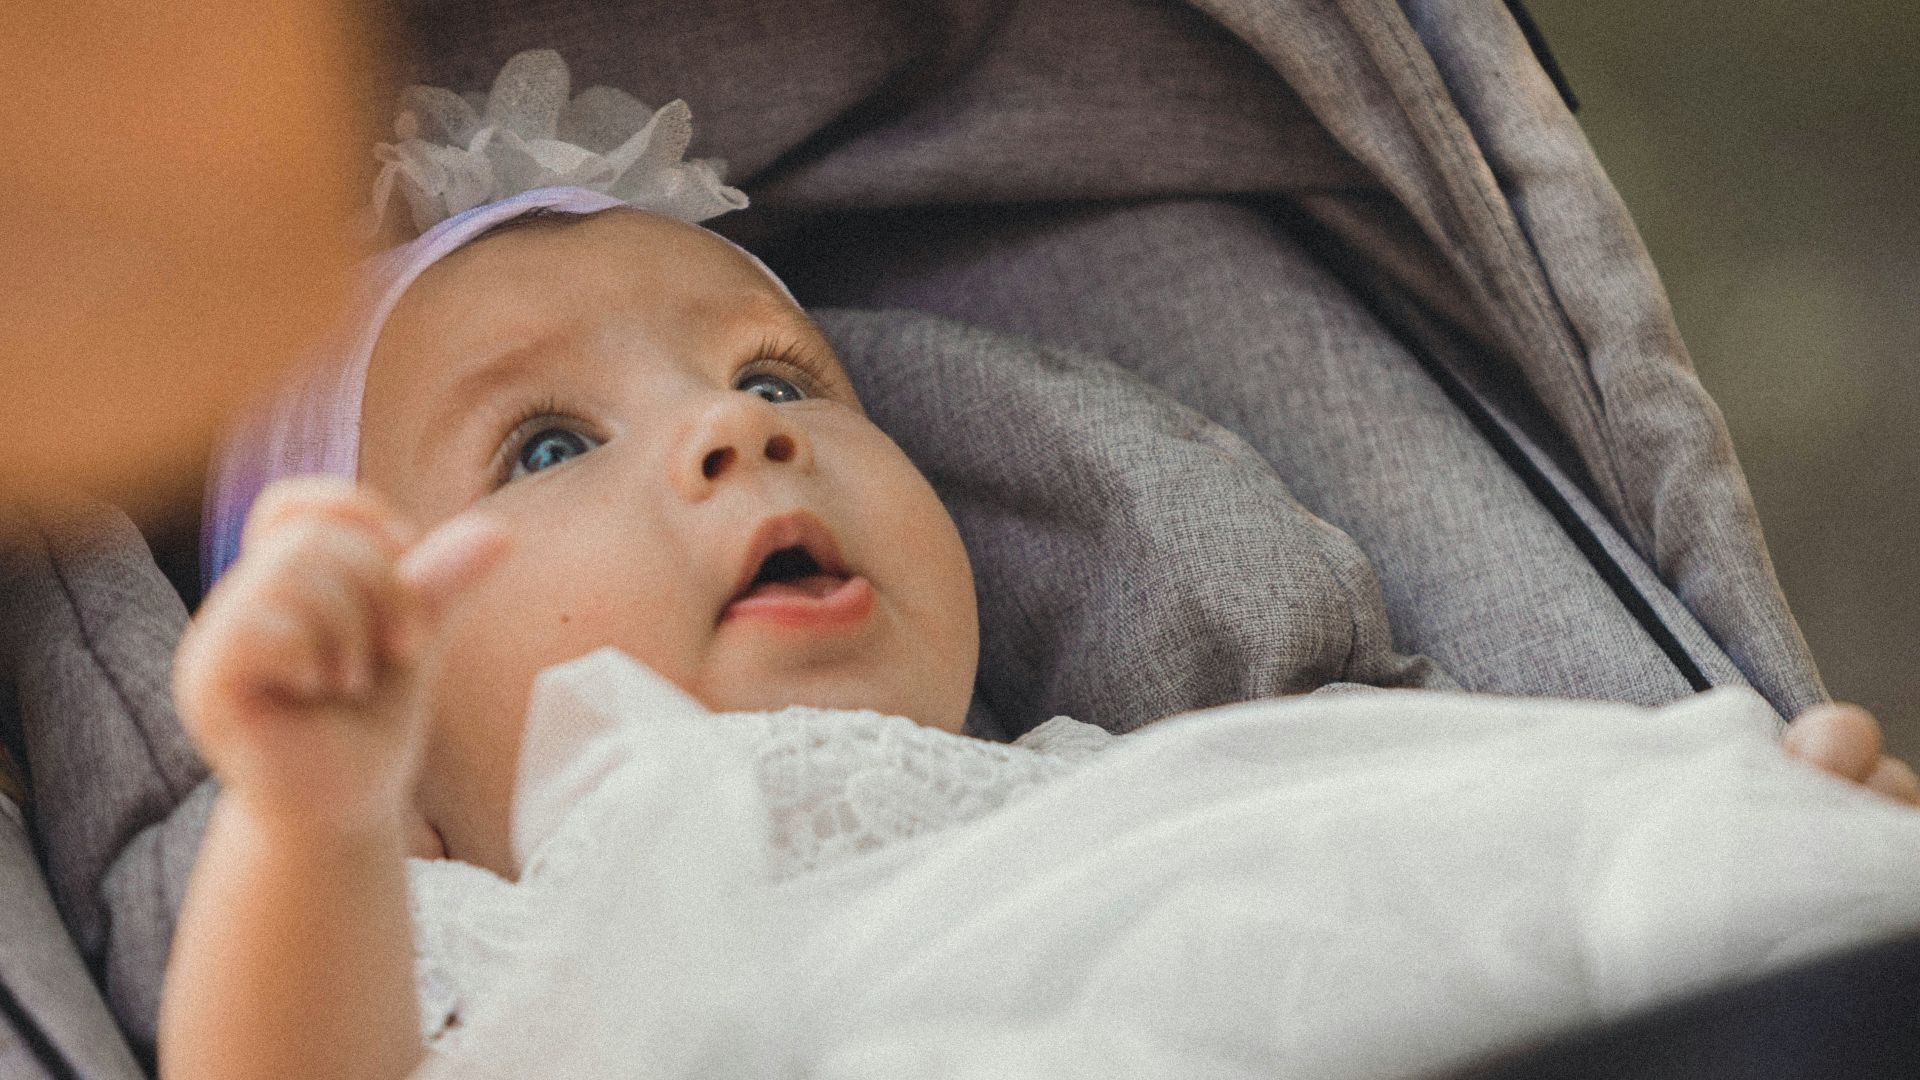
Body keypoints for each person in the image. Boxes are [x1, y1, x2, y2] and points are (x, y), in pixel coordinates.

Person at [155, 52, 1920, 1080]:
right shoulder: (460, 931)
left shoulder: (1118, 781)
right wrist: (312, 814)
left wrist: (1714, 844)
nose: (734, 434)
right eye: (547, 446)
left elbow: (1426, 874)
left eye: (779, 381)